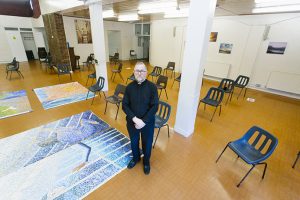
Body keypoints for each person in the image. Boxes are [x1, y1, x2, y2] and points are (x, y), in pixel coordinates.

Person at [122, 62, 159, 175]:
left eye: (142, 71)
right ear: (134, 72)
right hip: (132, 122)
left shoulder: (152, 87)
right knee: (134, 141)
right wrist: (135, 119)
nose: (139, 73)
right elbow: (125, 105)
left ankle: (146, 162)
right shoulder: (129, 87)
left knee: (147, 143)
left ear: (146, 73)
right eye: (137, 70)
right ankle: (136, 158)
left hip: (147, 123)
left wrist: (143, 121)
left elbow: (155, 106)